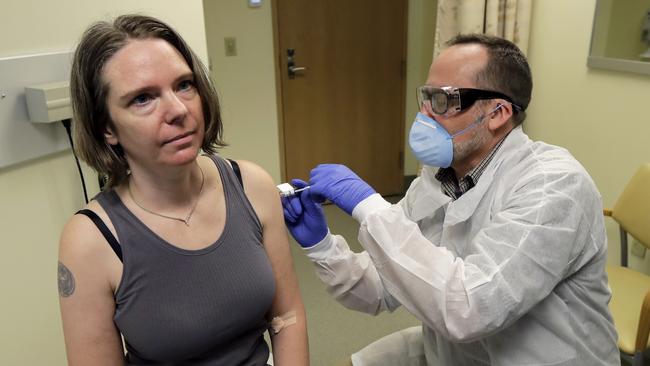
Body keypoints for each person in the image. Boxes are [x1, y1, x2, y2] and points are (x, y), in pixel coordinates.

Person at [283, 34, 619, 365]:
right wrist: (322, 246)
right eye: (426, 97)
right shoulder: (438, 177)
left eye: (443, 100)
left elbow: (470, 309)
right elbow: (381, 287)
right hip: (457, 352)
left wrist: (370, 206)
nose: (425, 114)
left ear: (498, 113)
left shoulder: (553, 186)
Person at [58, 14, 308, 365]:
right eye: (143, 98)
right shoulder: (90, 240)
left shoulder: (251, 185)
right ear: (107, 129)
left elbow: (288, 317)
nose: (178, 110)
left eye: (184, 85)